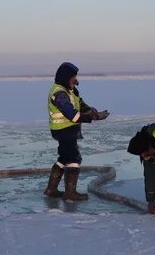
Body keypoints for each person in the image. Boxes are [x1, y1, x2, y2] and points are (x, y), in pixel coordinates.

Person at [45, 62, 108, 201]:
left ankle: (51, 189)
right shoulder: (59, 93)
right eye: (73, 76)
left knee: (63, 158)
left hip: (67, 129)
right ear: (66, 77)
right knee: (74, 159)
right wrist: (92, 117)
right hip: (63, 130)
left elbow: (80, 103)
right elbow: (72, 115)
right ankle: (70, 193)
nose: (75, 79)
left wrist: (91, 111)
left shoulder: (70, 90)